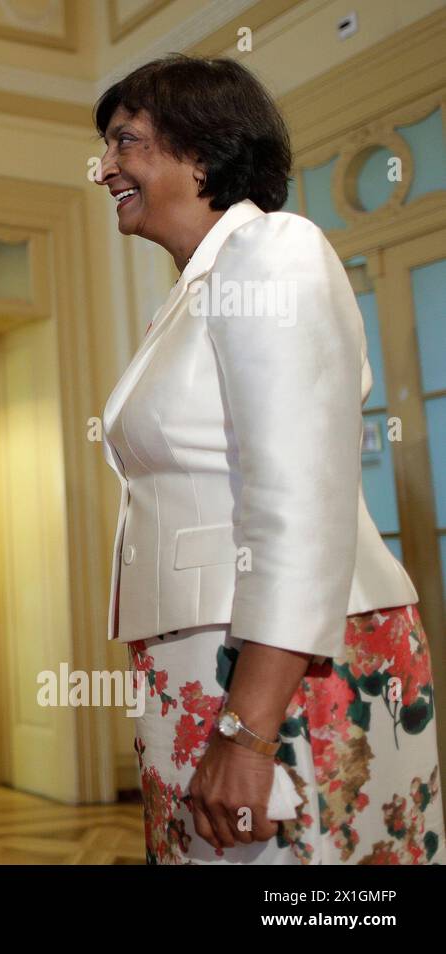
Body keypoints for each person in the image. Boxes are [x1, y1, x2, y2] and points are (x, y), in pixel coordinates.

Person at [96, 55, 442, 864]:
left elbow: (298, 496)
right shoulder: (190, 293)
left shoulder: (271, 250)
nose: (105, 167)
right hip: (205, 664)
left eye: (126, 143)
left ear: (203, 153)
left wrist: (249, 734)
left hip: (273, 672)